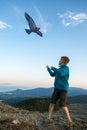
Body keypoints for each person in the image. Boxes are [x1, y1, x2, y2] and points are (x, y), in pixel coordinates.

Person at [46, 56, 72, 125]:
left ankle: (69, 120)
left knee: (63, 105)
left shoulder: (66, 69)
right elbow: (52, 74)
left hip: (63, 89)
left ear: (64, 61)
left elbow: (61, 73)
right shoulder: (59, 69)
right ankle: (48, 117)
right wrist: (48, 69)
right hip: (56, 89)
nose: (59, 61)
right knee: (52, 103)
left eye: (60, 59)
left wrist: (53, 68)